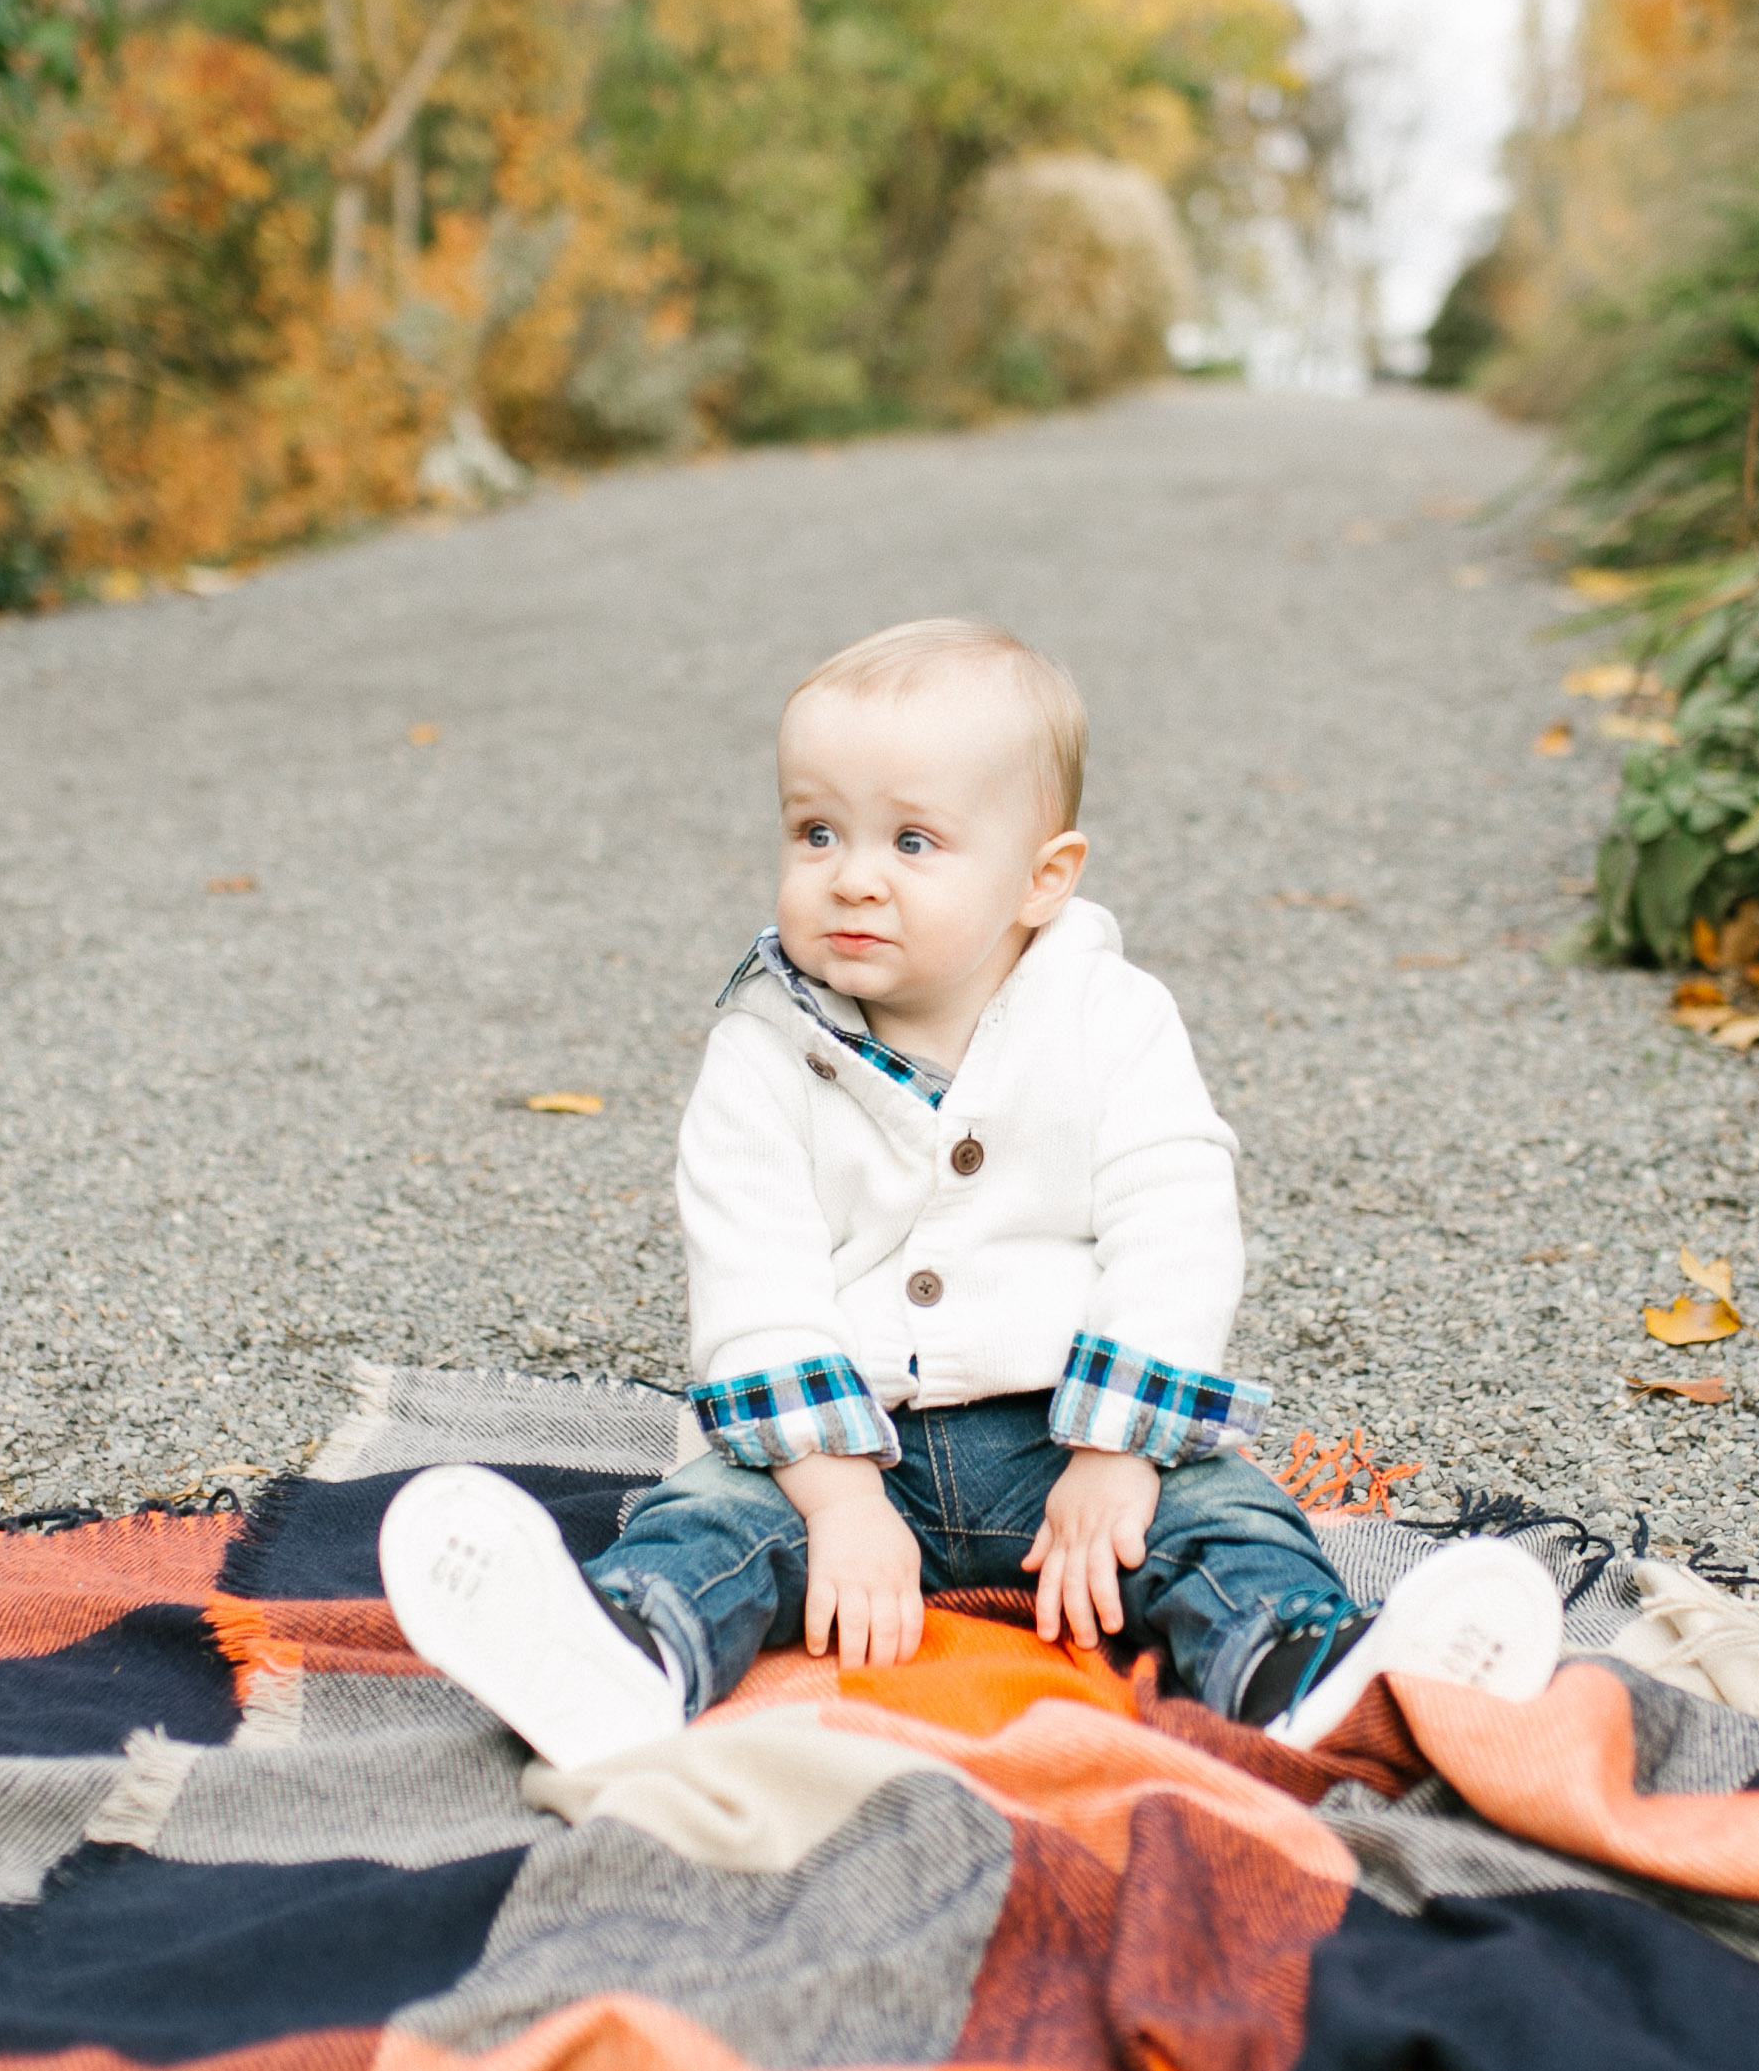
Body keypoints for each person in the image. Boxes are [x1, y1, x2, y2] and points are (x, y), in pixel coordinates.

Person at [380, 617, 1558, 1768]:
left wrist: (1120, 1451)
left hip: (1061, 1435)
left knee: (1221, 1515)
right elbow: (753, 1269)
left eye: (912, 843)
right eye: (816, 832)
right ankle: (620, 1656)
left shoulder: (1110, 1019)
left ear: (1040, 879)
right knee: (706, 1523)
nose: (852, 879)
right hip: (835, 1447)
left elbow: (1175, 1222)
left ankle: (1301, 1668)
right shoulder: (762, 1042)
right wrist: (838, 1506)